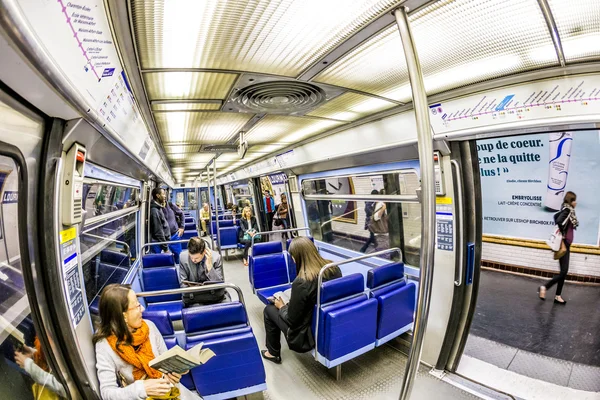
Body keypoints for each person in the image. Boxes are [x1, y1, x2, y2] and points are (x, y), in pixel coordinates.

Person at [93, 284, 200, 400]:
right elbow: (107, 393)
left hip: (172, 392)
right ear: (123, 316)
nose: (142, 309)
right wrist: (141, 389)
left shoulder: (149, 326)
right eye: (137, 306)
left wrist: (171, 375)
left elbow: (166, 362)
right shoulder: (105, 346)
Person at [261, 237, 342, 364]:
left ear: (297, 257)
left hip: (305, 335)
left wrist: (282, 306)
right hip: (327, 321)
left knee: (269, 309)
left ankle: (272, 353)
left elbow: (292, 321)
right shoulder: (332, 268)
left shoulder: (301, 282)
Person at [539, 191, 578, 305]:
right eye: (574, 200)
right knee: (564, 272)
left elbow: (555, 216)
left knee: (563, 272)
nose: (576, 202)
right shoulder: (567, 210)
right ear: (571, 201)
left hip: (566, 244)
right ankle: (545, 287)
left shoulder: (568, 211)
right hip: (564, 243)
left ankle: (557, 296)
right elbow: (559, 221)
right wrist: (564, 235)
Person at [179, 237, 228, 307]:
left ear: (204, 252)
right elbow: (183, 285)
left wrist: (210, 267)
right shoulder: (183, 258)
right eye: (191, 257)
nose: (193, 260)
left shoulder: (216, 258)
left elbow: (219, 285)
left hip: (213, 296)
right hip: (194, 297)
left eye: (196, 258)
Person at [161, 194, 185, 263]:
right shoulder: (156, 209)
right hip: (163, 238)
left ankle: (180, 271)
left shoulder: (171, 205)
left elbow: (181, 214)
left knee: (178, 255)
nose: (164, 196)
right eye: (162, 194)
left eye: (165, 194)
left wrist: (182, 227)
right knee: (165, 258)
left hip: (174, 235)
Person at [149, 188, 170, 253]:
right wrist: (165, 248)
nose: (165, 196)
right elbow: (158, 231)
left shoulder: (158, 207)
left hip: (162, 242)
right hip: (159, 244)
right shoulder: (155, 211)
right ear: (158, 196)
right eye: (163, 194)